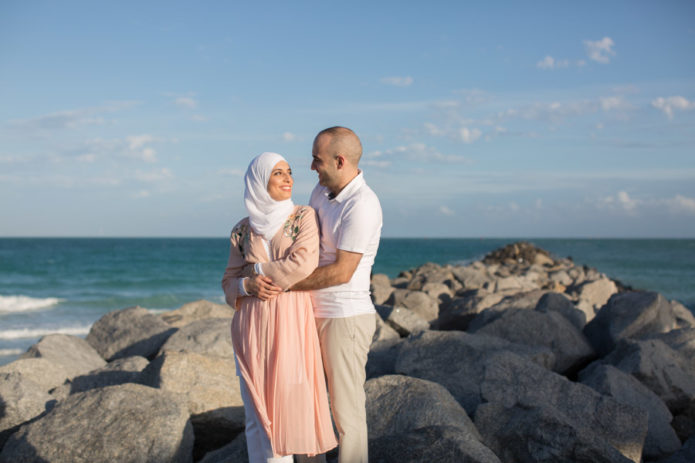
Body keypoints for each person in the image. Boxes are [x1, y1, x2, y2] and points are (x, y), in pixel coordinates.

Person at [221, 152, 337, 463]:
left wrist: (256, 271)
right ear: (259, 181)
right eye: (278, 173)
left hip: (291, 325)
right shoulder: (241, 230)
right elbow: (229, 281)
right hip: (251, 329)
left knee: (290, 408)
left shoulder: (303, 217)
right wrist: (247, 285)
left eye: (289, 172)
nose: (288, 179)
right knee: (256, 416)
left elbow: (302, 263)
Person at [291, 127, 383, 463]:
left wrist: (285, 284)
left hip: (344, 318)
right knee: (305, 405)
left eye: (317, 159)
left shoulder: (363, 205)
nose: (312, 167)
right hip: (309, 312)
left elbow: (342, 272)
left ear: (339, 161)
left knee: (346, 414)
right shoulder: (320, 192)